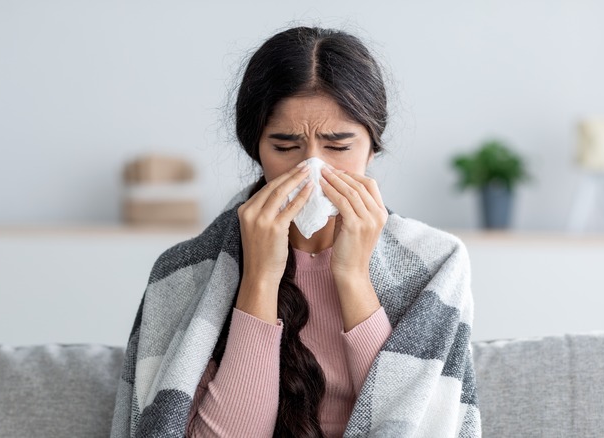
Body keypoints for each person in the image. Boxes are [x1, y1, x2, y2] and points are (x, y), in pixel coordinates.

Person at [111, 26, 480, 438]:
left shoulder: (436, 265)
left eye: (338, 147)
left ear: (372, 148)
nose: (312, 170)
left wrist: (353, 276)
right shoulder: (184, 274)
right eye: (285, 148)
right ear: (257, 150)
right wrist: (260, 279)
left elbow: (417, 427)